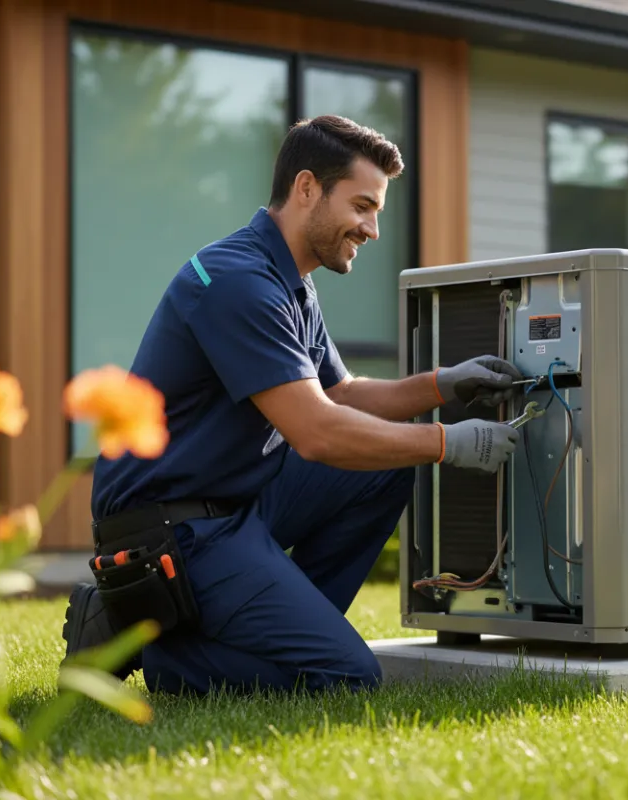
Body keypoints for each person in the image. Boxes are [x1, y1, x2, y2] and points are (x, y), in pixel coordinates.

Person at [61, 115, 523, 695]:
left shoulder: (290, 282)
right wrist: (451, 443)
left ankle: (275, 626)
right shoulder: (238, 281)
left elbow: (340, 394)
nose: (372, 229)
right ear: (307, 188)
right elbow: (319, 433)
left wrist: (443, 384)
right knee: (344, 676)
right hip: (172, 531)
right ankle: (161, 653)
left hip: (229, 508)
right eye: (361, 206)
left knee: (383, 474)